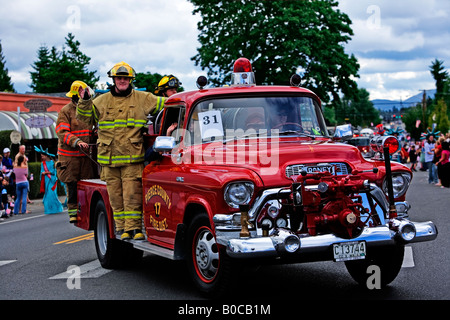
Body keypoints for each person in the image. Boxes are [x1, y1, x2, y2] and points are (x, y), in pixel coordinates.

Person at [77, 61, 165, 240]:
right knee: (116, 198)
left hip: (132, 160)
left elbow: (169, 103)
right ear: (113, 79)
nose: (122, 81)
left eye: (126, 78)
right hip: (109, 161)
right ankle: (122, 229)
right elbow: (84, 119)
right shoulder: (100, 102)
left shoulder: (143, 98)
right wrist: (85, 100)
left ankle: (135, 229)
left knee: (133, 195)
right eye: (119, 78)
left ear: (130, 80)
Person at [56, 80, 98, 223]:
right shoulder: (65, 111)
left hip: (86, 156)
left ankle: (86, 211)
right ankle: (73, 213)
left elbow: (91, 128)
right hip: (70, 158)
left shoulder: (89, 108)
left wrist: (96, 132)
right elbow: (61, 131)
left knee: (87, 184)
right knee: (72, 185)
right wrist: (77, 141)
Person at [35, 146, 63, 214]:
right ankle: (49, 209)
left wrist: (47, 172)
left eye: (43, 156)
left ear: (46, 156)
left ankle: (57, 207)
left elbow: (54, 172)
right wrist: (42, 175)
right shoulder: (42, 163)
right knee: (47, 195)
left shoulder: (53, 162)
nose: (42, 157)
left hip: (52, 180)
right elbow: (41, 171)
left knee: (52, 194)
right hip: (46, 180)